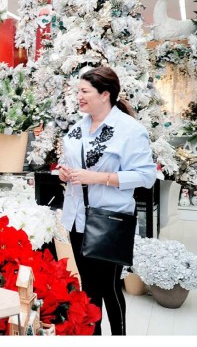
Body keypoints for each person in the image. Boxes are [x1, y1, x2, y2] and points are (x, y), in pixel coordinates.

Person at [58, 66, 157, 335]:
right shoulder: (77, 130)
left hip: (110, 221)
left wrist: (98, 177)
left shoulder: (129, 130)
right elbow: (72, 169)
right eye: (77, 90)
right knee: (89, 289)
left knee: (110, 288)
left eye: (84, 91)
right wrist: (66, 174)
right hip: (77, 220)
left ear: (105, 94)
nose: (78, 96)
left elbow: (146, 176)